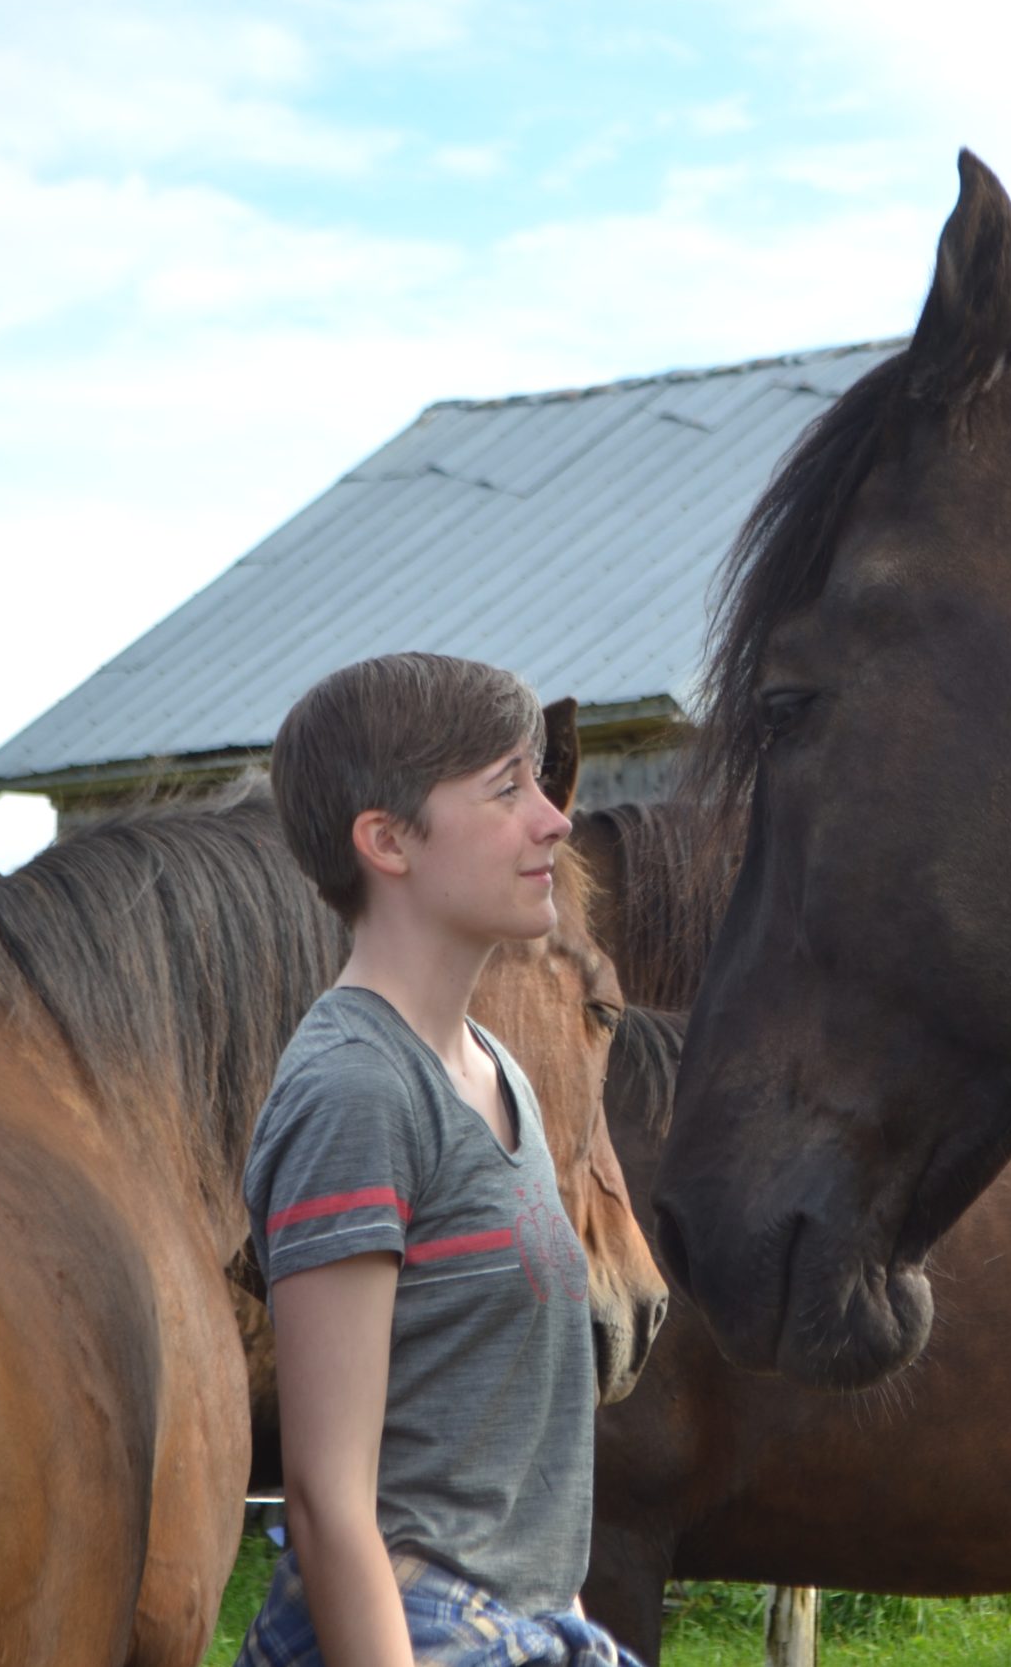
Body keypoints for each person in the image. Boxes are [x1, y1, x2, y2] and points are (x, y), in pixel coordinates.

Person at [234, 652, 634, 1667]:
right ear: (386, 841)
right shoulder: (357, 1094)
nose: (553, 820)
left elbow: (521, 1466)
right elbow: (328, 1506)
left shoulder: (496, 1071)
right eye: (508, 789)